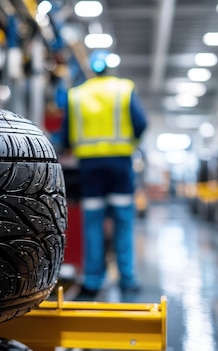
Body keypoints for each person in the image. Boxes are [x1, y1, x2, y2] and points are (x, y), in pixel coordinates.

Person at [59, 50, 148, 299]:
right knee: (123, 220)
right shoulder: (124, 89)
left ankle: (93, 280)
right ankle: (127, 279)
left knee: (94, 223)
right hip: (120, 165)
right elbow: (141, 124)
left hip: (90, 168)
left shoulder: (77, 95)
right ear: (109, 68)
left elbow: (65, 135)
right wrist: (129, 143)